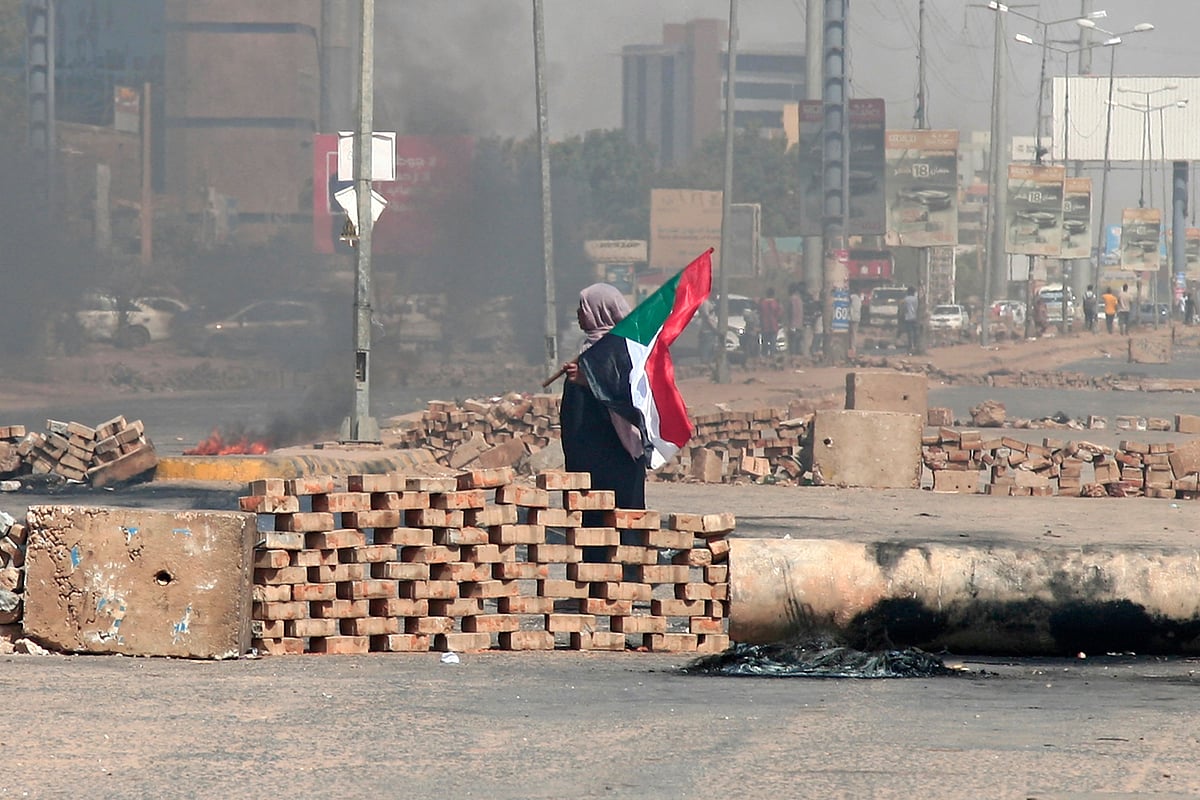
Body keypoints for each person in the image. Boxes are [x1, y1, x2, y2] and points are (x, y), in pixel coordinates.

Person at [560, 284, 646, 532]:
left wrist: (588, 380)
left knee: (624, 520)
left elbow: (627, 393)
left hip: (618, 450)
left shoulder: (626, 349)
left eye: (584, 307)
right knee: (594, 524)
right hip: (590, 457)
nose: (579, 313)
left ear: (601, 310)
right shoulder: (589, 350)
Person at [758, 288, 781, 356]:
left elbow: (760, 314)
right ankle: (772, 357)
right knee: (773, 345)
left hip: (765, 326)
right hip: (774, 326)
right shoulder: (776, 303)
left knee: (765, 344)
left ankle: (764, 357)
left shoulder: (762, 303)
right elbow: (779, 314)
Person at [787, 283, 805, 356]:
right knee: (798, 343)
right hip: (799, 325)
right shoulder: (799, 299)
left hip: (793, 325)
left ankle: (793, 358)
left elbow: (792, 312)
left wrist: (790, 325)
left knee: (793, 343)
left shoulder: (792, 299)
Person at [901, 286, 918, 353]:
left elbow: (904, 309)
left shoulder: (906, 299)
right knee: (915, 332)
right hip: (916, 318)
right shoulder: (916, 299)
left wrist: (902, 316)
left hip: (908, 317)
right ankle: (916, 345)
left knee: (909, 332)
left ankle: (911, 345)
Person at [848, 289, 863, 354]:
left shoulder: (852, 297)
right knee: (854, 334)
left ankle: (850, 347)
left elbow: (849, 307)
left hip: (850, 317)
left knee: (849, 333)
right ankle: (853, 348)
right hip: (857, 318)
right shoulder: (859, 299)